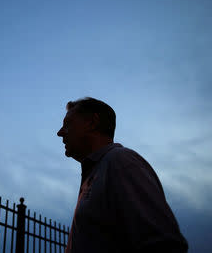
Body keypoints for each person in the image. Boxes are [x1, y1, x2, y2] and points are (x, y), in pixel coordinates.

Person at [57, 97, 188, 253]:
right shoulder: (97, 173)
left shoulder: (120, 162)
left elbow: (163, 244)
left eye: (68, 124)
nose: (60, 132)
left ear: (92, 123)